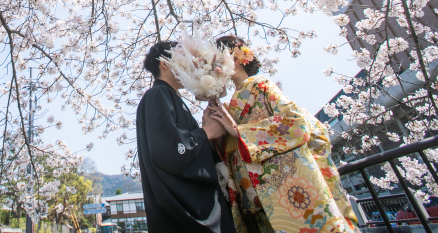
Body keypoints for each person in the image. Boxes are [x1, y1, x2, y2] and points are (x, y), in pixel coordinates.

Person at [206, 35, 360, 233]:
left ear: (236, 58)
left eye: (219, 59)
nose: (215, 67)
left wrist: (239, 131)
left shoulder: (260, 85)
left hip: (281, 189)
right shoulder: (228, 106)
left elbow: (295, 124)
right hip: (252, 197)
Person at [136, 40, 237, 233]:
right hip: (181, 215)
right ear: (164, 64)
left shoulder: (168, 96)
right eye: (184, 58)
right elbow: (167, 150)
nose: (191, 64)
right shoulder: (157, 94)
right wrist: (205, 133)